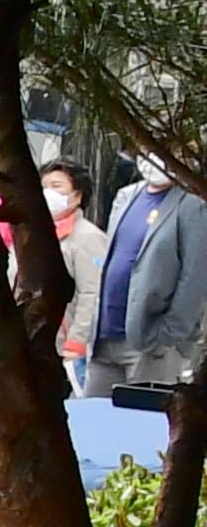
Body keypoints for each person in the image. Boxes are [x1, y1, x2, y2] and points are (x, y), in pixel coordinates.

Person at [89, 159, 203, 396]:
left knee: (143, 425)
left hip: (149, 342)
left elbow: (195, 278)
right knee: (94, 419)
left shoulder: (192, 204)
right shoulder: (127, 196)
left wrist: (168, 334)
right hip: (105, 335)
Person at [43, 159, 110, 386]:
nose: (48, 192)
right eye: (44, 186)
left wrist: (77, 341)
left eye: (57, 185)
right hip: (41, 343)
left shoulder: (87, 237)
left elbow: (92, 294)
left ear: (78, 195)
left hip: (68, 348)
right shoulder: (37, 234)